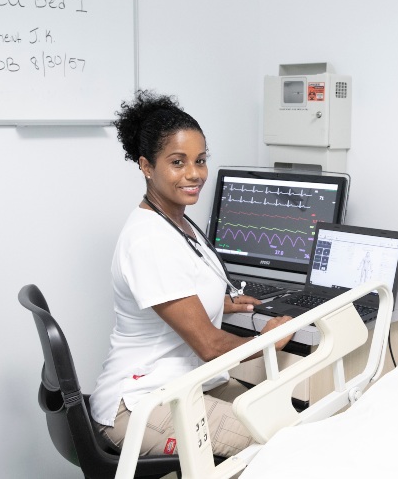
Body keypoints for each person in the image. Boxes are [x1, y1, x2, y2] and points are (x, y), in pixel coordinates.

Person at [90, 90, 294, 458]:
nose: (194, 174)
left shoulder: (175, 222)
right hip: (140, 407)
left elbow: (174, 292)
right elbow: (210, 345)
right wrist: (268, 339)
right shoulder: (149, 239)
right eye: (178, 162)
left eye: (200, 160)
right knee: (280, 442)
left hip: (182, 385)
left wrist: (225, 304)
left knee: (289, 419)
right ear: (146, 166)